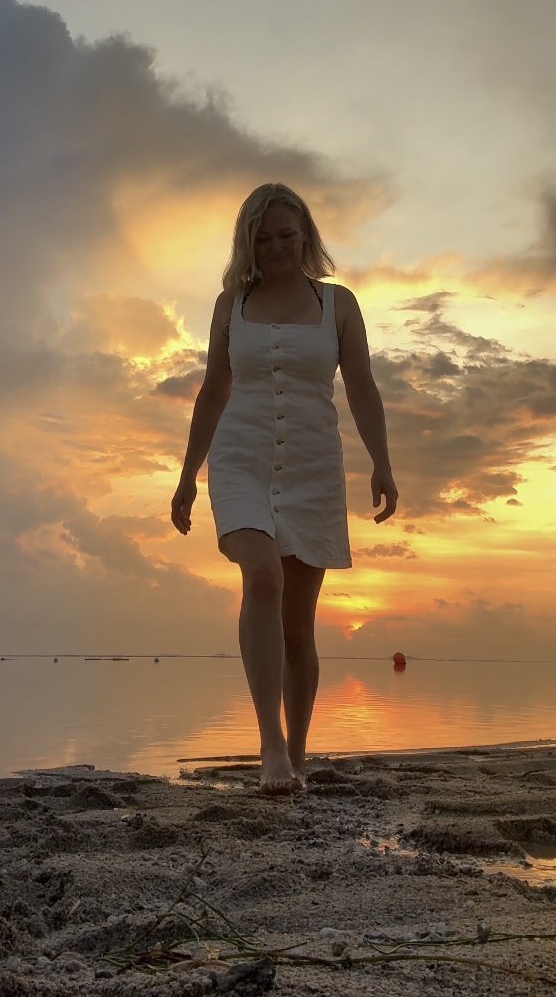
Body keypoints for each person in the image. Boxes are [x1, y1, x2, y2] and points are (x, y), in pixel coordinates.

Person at [170, 183, 398, 795]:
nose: (275, 247)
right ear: (248, 243)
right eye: (262, 237)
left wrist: (382, 461)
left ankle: (297, 757)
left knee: (299, 624)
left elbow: (363, 389)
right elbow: (213, 390)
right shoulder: (230, 305)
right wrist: (188, 474)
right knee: (262, 576)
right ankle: (270, 746)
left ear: (306, 238)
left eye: (286, 236)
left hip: (313, 467)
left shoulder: (338, 304)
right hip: (239, 456)